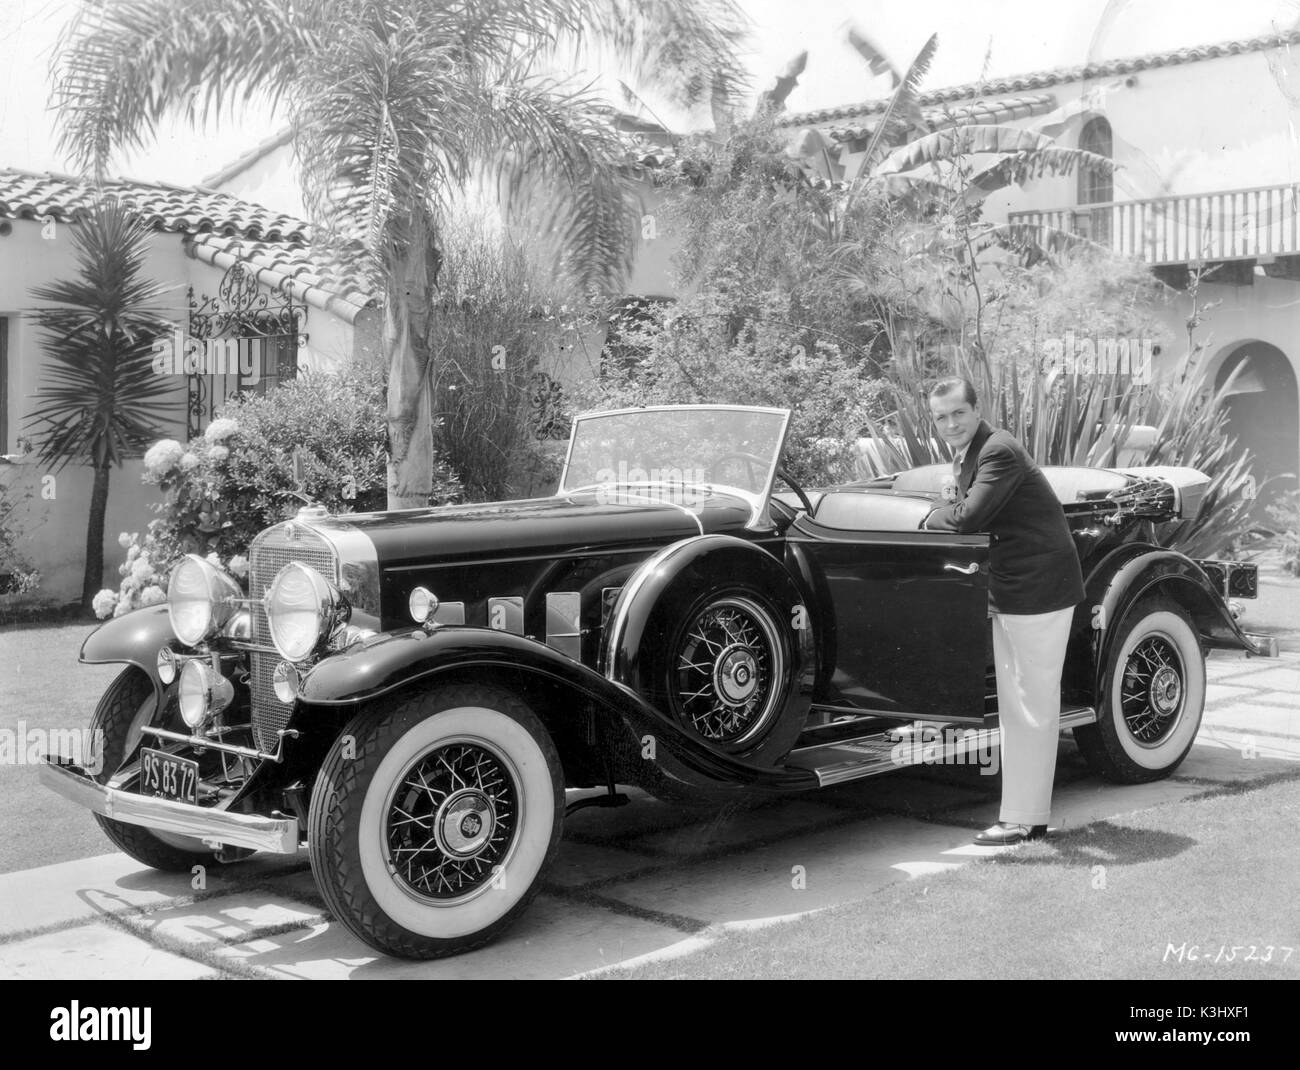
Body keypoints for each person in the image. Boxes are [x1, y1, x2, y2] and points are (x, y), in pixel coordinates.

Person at [921, 377, 1085, 846]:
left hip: (1039, 589)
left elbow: (968, 516)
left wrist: (931, 516)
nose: (950, 423)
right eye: (941, 417)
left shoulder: (998, 450)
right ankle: (1022, 815)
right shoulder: (970, 451)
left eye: (958, 413)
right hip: (1012, 588)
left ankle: (1024, 819)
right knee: (1017, 705)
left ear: (977, 409)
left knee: (1031, 704)